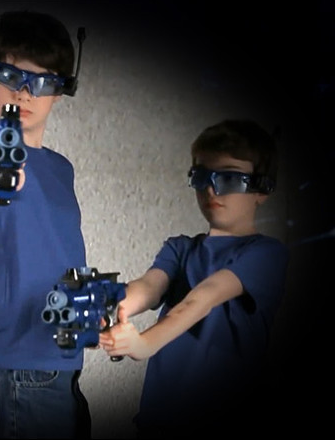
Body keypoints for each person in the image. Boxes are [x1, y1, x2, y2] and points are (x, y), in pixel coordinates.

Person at [99, 119, 288, 437]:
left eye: (230, 178)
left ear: (262, 189)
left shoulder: (266, 253)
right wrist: (109, 308)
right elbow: (148, 287)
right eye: (201, 177)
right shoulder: (180, 248)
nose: (211, 190)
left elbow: (204, 297)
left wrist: (145, 343)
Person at [0, 11, 91, 439]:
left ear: (61, 90)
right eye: (10, 76)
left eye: (42, 81)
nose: (25, 92)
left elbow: (58, 259)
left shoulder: (61, 168)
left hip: (58, 365)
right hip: (15, 368)